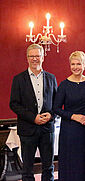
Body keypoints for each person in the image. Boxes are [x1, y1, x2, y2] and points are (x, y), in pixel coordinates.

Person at [9, 44, 57, 181]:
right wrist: (33, 118)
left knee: (48, 167)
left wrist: (51, 115)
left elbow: (57, 103)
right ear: (27, 58)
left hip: (47, 129)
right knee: (27, 169)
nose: (35, 59)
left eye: (38, 56)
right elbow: (13, 104)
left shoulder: (51, 78)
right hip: (27, 129)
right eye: (32, 56)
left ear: (43, 57)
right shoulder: (18, 79)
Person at [53, 51, 85, 181]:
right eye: (73, 64)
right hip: (70, 130)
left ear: (84, 65)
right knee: (73, 161)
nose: (75, 67)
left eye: (78, 64)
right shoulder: (64, 85)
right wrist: (74, 116)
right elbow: (56, 108)